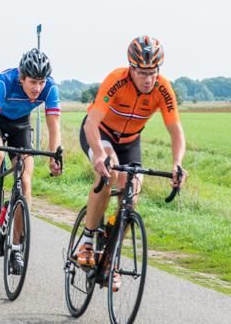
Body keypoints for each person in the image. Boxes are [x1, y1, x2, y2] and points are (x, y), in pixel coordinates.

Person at [75, 36, 188, 287]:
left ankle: (111, 254)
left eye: (153, 72)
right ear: (131, 67)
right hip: (99, 133)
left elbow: (176, 131)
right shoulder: (116, 80)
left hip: (130, 140)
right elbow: (92, 123)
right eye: (141, 72)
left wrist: (177, 163)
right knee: (110, 172)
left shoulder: (163, 89)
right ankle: (87, 241)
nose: (148, 79)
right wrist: (99, 155)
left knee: (133, 194)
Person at [0, 49, 63, 272]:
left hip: (21, 124)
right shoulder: (4, 84)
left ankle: (16, 248)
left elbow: (54, 126)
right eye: (32, 82)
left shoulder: (50, 88)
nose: (37, 88)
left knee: (25, 181)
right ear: (22, 78)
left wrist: (55, 156)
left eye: (41, 82)